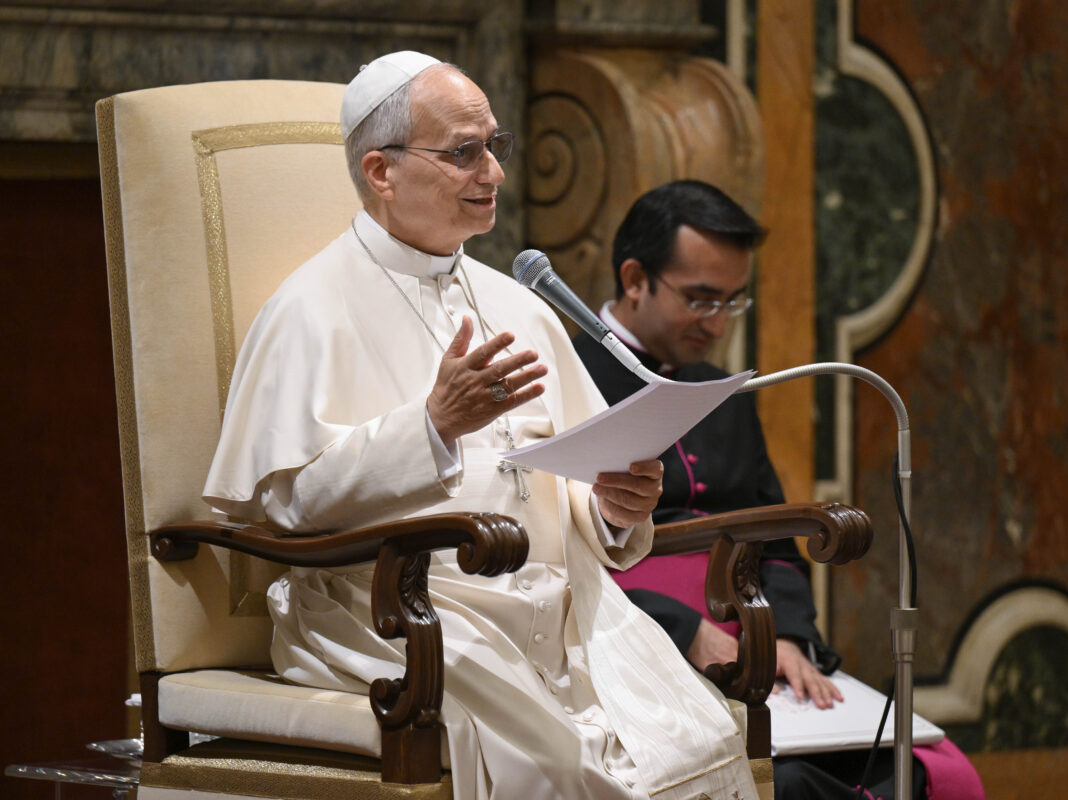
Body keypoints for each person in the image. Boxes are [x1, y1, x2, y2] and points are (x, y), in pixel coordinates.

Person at [202, 55, 758, 800]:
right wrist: (431, 427)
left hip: (559, 607)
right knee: (567, 767)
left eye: (496, 146)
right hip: (401, 614)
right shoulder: (308, 309)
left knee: (701, 739)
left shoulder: (519, 305)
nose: (492, 172)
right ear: (381, 171)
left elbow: (573, 482)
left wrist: (612, 508)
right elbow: (285, 506)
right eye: (464, 152)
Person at [574, 181, 984, 800]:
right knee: (785, 784)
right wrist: (682, 631)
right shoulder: (562, 373)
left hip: (755, 636)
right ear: (635, 279)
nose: (717, 324)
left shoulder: (725, 393)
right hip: (631, 648)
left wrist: (788, 634)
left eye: (734, 303)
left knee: (929, 771)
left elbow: (775, 538)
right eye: (701, 300)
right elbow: (553, 551)